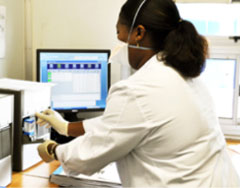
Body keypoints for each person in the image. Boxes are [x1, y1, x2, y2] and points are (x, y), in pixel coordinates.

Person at [36, 0, 240, 187]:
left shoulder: (138, 90)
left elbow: (87, 158)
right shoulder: (186, 76)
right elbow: (122, 123)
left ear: (139, 33)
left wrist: (54, 150)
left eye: (119, 34)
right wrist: (65, 126)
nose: (119, 44)